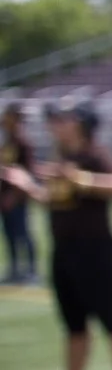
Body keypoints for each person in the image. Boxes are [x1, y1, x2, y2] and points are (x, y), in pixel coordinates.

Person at [14, 102, 112, 370]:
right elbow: (53, 200)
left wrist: (80, 178)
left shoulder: (93, 156)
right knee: (73, 323)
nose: (54, 124)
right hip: (65, 250)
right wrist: (27, 185)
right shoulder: (64, 160)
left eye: (63, 119)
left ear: (80, 124)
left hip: (95, 250)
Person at [1, 103, 38, 283]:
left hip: (17, 198)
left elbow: (27, 172)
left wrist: (14, 195)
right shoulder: (7, 141)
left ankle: (32, 271)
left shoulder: (23, 142)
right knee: (9, 234)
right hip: (4, 197)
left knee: (23, 233)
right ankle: (15, 269)